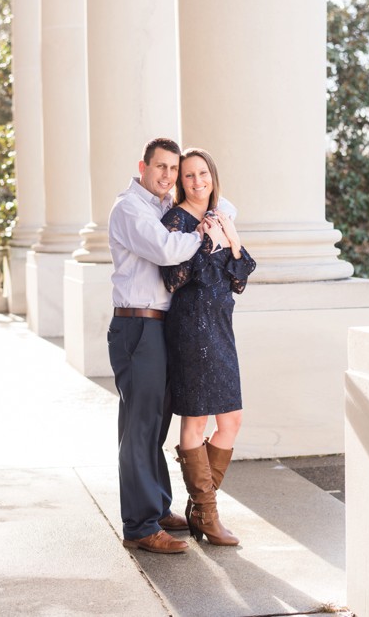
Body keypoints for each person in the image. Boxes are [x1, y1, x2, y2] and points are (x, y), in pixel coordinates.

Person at [108, 137, 209, 555]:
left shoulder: (163, 207)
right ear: (143, 166)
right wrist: (203, 234)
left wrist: (205, 210)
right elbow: (168, 250)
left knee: (156, 425)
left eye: (174, 169)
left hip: (161, 328)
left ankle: (157, 507)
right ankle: (140, 525)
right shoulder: (129, 208)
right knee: (140, 427)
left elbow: (224, 206)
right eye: (161, 167)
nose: (168, 176)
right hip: (137, 327)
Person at [162, 148, 256, 547]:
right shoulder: (175, 221)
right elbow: (173, 277)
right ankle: (209, 514)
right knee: (196, 420)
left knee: (230, 419)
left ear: (213, 176)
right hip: (192, 328)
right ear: (181, 182)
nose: (198, 181)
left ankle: (201, 508)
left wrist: (231, 239)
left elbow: (240, 279)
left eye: (203, 174)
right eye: (189, 176)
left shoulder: (221, 217)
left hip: (221, 328)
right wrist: (203, 240)